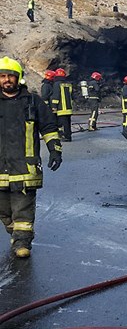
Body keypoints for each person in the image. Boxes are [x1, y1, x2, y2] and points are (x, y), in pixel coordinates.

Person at [0, 57, 62, 258]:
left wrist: (55, 150)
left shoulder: (33, 101)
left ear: (19, 78)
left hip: (25, 167)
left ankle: (21, 242)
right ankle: (15, 232)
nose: (7, 80)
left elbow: (49, 127)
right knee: (4, 210)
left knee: (23, 209)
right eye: (2, 76)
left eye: (11, 76)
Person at [51, 68, 74, 142]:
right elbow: (72, 95)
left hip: (61, 108)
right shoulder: (69, 84)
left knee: (63, 123)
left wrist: (54, 106)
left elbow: (56, 96)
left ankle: (65, 136)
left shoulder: (57, 84)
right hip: (69, 108)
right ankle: (69, 136)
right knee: (68, 123)